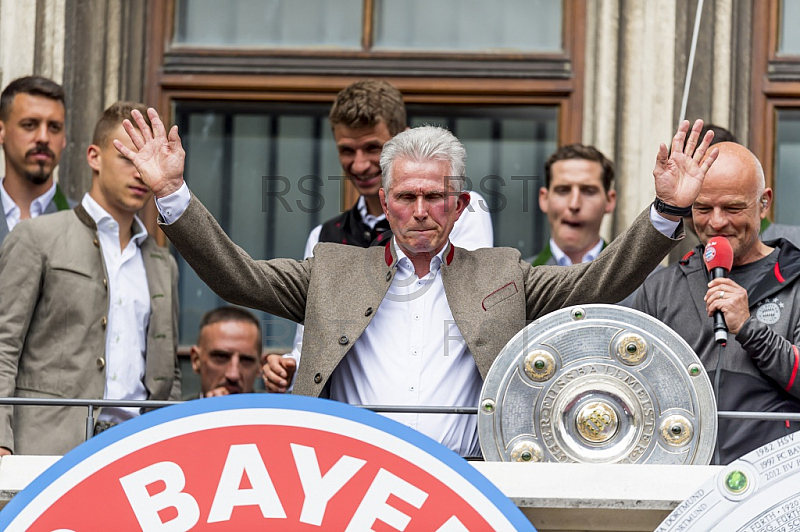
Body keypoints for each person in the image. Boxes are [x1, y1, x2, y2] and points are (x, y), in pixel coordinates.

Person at [115, 109, 716, 456]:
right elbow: (236, 276)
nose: (421, 210)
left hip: (462, 485)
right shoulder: (333, 269)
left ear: (459, 205)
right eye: (407, 196)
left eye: (436, 196)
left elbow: (601, 283)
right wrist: (172, 195)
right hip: (347, 479)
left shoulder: (503, 274)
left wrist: (665, 210)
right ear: (385, 200)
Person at [267, 80, 494, 391]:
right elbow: (311, 337)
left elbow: (458, 310)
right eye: (347, 150)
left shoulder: (460, 210)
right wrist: (292, 366)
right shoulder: (325, 235)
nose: (359, 164)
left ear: (402, 141)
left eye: (373, 148)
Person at [0, 101, 181, 455]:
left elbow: (168, 376)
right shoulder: (36, 237)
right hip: (46, 448)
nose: (141, 171)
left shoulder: (162, 264)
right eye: (128, 157)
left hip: (136, 452)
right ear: (94, 157)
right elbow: (3, 346)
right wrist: (1, 442)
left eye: (150, 161)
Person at [632, 141, 800, 464]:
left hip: (774, 487)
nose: (717, 222)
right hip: (684, 488)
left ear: (764, 204)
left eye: (733, 208)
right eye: (703, 209)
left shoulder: (795, 280)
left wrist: (751, 329)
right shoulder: (660, 288)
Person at [0, 76, 75, 245]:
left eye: (54, 127)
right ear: (1, 132)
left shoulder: (86, 224)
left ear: (64, 138)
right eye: (29, 125)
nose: (43, 138)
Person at [529, 144, 616, 266]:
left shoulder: (639, 279)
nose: (574, 204)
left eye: (588, 191)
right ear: (544, 199)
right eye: (563, 190)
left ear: (609, 201)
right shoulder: (519, 281)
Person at [190, 306, 263, 398]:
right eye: (221, 357)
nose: (233, 375)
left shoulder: (276, 411)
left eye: (246, 360)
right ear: (196, 360)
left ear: (260, 366)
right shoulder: (176, 411)